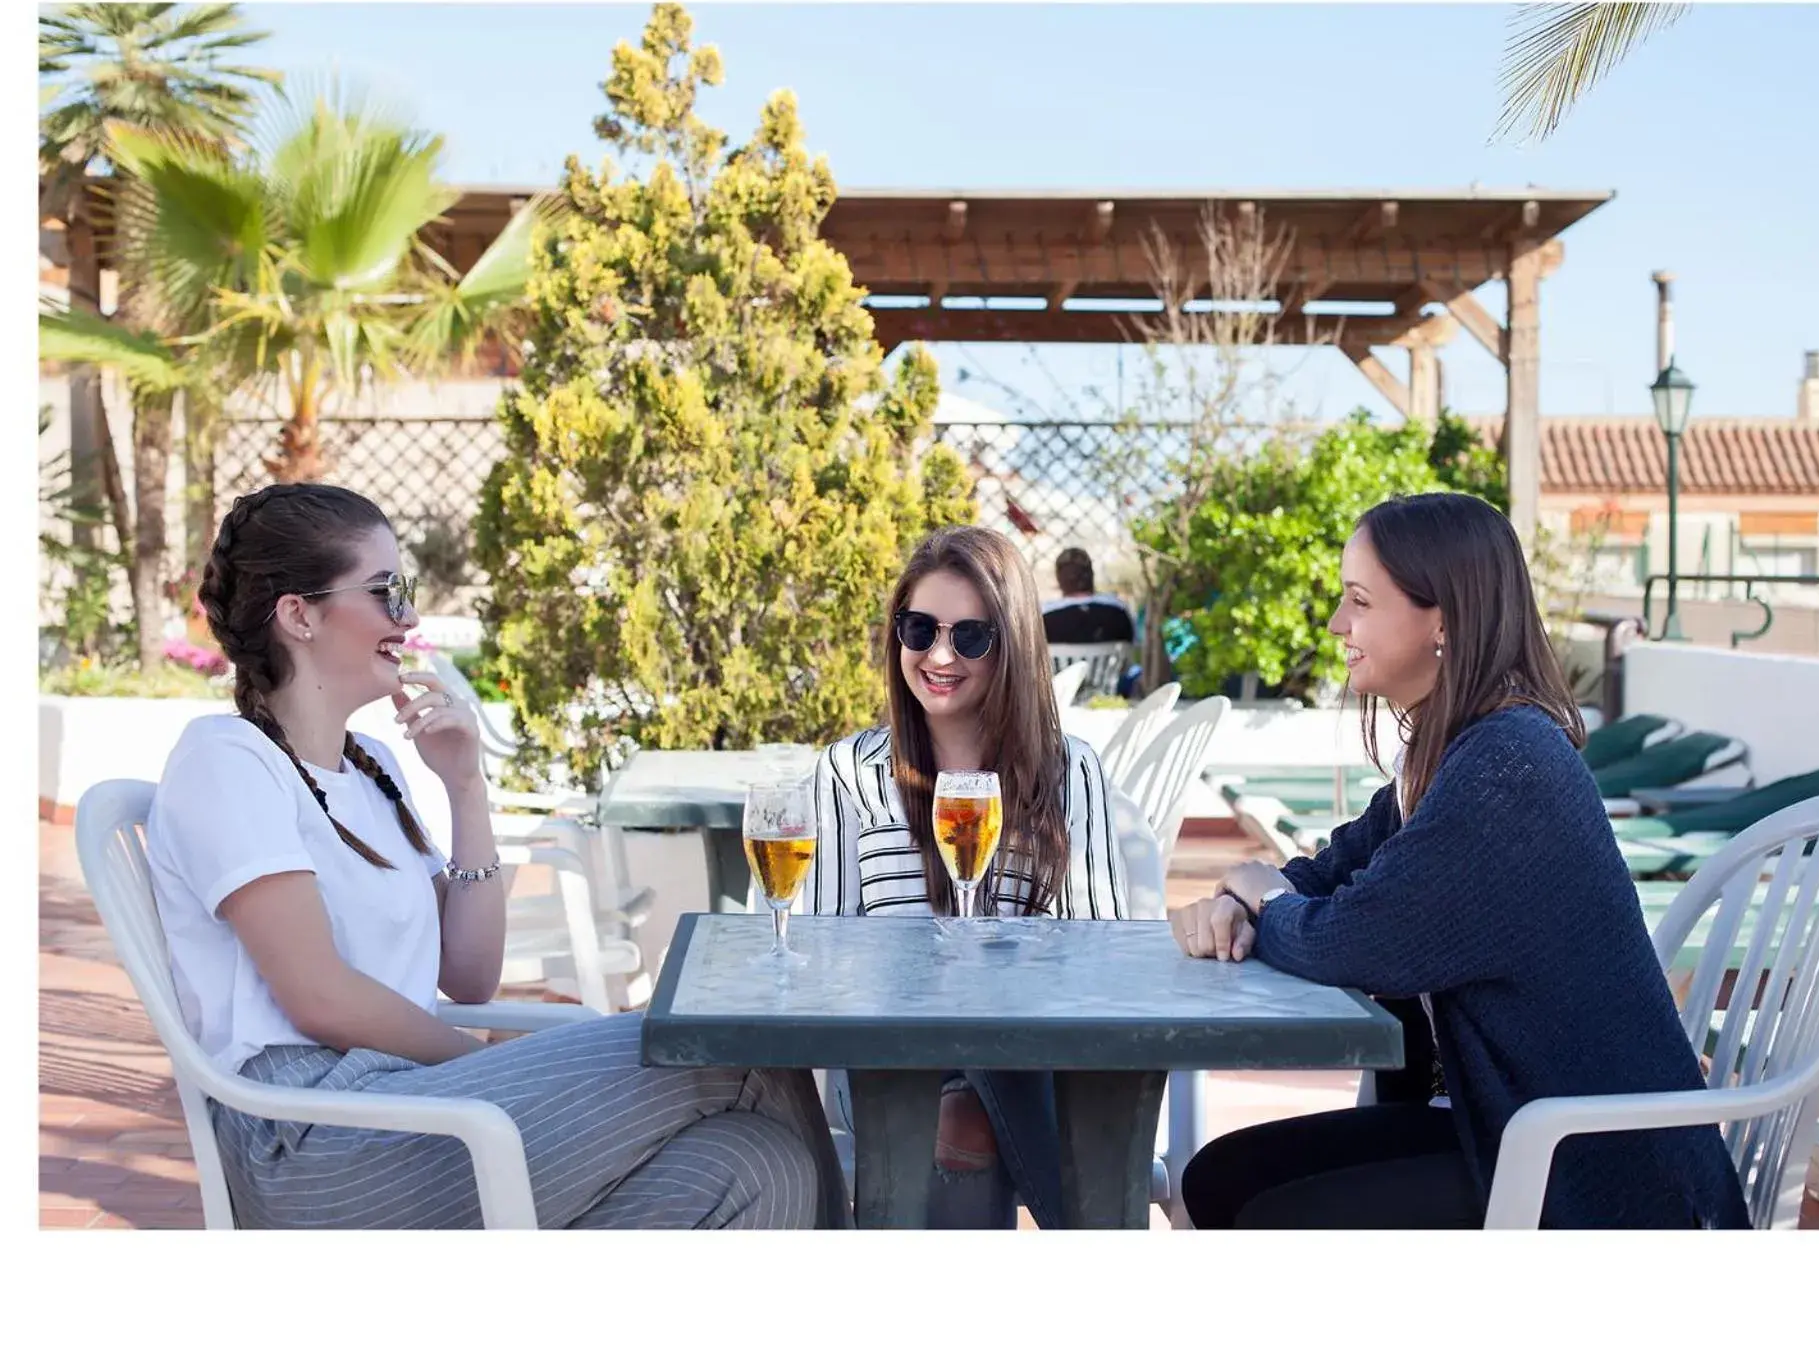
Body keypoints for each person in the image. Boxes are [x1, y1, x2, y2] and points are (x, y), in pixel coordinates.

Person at [145, 482, 841, 1230]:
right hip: (313, 1142)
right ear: (299, 615)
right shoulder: (228, 761)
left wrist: (465, 786)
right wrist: (476, 1064)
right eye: (387, 592)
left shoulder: (371, 766)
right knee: (732, 1051)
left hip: (406, 1112)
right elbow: (318, 995)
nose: (408, 619)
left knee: (761, 1166)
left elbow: (469, 972)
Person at [1168, 491, 1751, 1230]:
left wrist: (1263, 897)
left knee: (1264, 1212)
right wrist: (1238, 897)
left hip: (1595, 1172)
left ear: (1441, 618)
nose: (1338, 625)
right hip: (1501, 1127)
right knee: (1218, 1179)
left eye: (1359, 602)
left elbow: (1355, 942)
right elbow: (1332, 873)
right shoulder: (1454, 755)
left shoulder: (1510, 769)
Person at [805, 525, 1128, 1227]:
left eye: (971, 638)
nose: (938, 655)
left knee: (986, 1087)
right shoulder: (851, 773)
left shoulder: (1067, 771)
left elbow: (1108, 956)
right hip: (889, 1058)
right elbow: (820, 956)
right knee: (965, 1105)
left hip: (1030, 1048)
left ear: (1011, 647)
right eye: (918, 629)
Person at [1042, 547, 1141, 696]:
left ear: (1059, 578)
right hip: (1106, 699)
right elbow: (1129, 660)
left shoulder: (1043, 614)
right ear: (1091, 574)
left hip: (1059, 700)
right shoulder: (1120, 611)